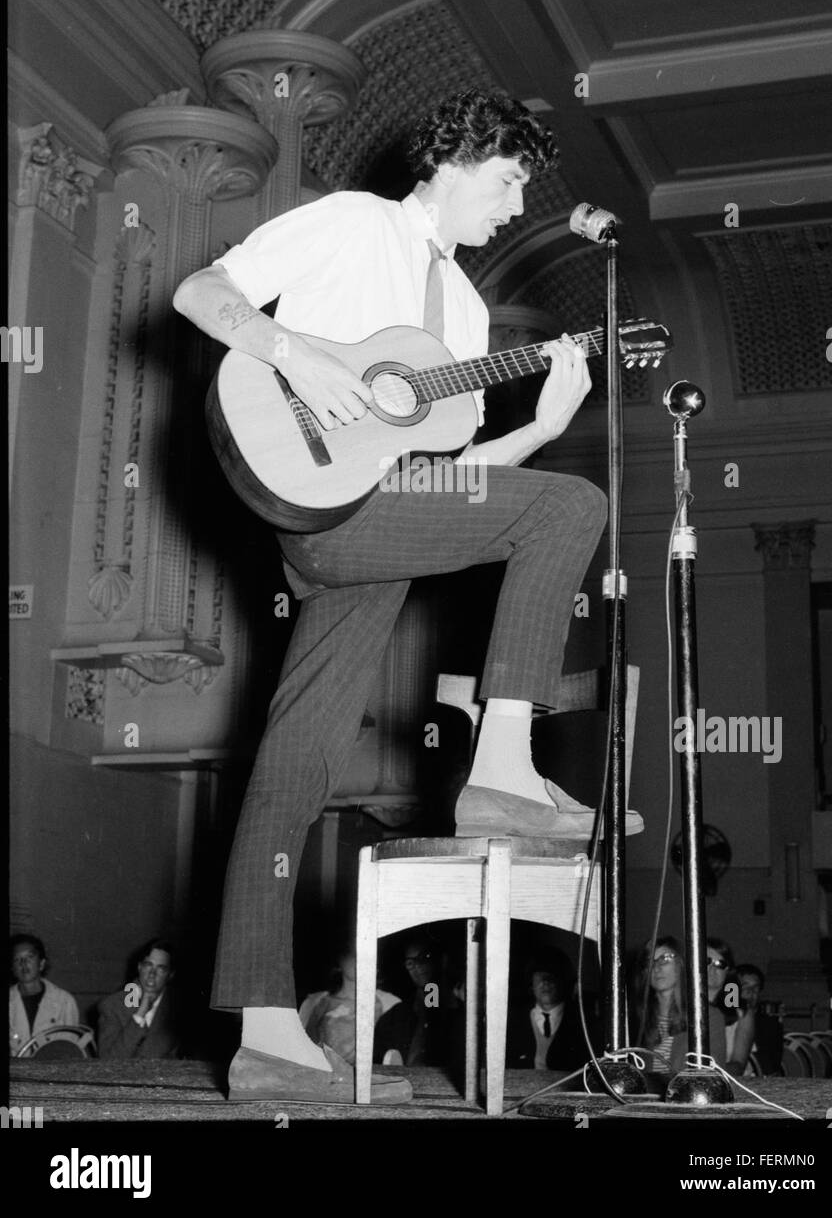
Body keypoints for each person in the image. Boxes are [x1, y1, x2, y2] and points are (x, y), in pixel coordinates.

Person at [174, 88, 609, 1104]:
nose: (512, 207)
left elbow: (449, 475)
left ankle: (269, 1037)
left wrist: (537, 435)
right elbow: (203, 293)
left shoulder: (461, 312)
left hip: (380, 515)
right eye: (507, 180)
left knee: (297, 750)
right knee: (569, 510)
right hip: (302, 486)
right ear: (457, 155)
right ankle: (500, 766)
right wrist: (300, 353)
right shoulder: (351, 222)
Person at [632, 936, 726, 1074]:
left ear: (681, 964)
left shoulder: (707, 1017)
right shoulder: (636, 1018)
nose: (656, 967)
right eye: (649, 961)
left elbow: (715, 1073)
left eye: (665, 958)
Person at [374, 933, 463, 1069]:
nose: (417, 965)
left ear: (443, 960)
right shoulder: (394, 1018)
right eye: (410, 962)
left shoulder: (464, 1016)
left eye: (425, 957)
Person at [300, 947, 400, 1065]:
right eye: (351, 953)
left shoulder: (390, 1002)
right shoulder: (314, 1002)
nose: (358, 958)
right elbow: (298, 1046)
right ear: (339, 959)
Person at [506, 948, 592, 1072]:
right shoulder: (512, 1020)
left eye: (553, 975)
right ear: (531, 983)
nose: (545, 982)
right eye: (540, 975)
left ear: (565, 981)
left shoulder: (583, 1022)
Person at [96, 939, 182, 1060]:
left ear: (170, 975)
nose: (152, 973)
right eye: (148, 965)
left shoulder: (178, 1010)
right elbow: (108, 1060)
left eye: (161, 968)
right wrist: (139, 1015)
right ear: (139, 967)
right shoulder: (113, 1006)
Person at [9, 934, 79, 1056]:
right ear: (12, 968)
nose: (23, 963)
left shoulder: (64, 1001)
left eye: (29, 957)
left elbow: (72, 1049)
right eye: (17, 959)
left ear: (41, 963)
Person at [706, 937, 755, 1076]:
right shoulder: (681, 1008)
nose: (712, 968)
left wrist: (706, 1075)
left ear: (728, 970)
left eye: (720, 964)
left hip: (732, 1083)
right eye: (706, 961)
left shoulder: (741, 1012)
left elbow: (738, 1064)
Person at [736, 962, 783, 1075]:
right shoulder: (722, 1019)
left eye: (755, 988)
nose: (750, 992)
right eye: (745, 986)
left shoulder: (769, 1025)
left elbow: (771, 1065)